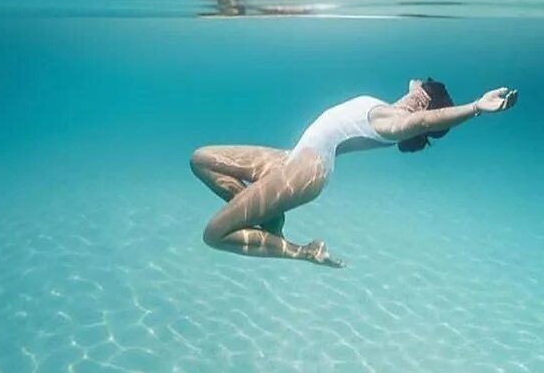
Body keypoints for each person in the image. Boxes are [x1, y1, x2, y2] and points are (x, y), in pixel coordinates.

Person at [190, 79, 518, 268]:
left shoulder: (395, 124)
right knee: (201, 159)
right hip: (288, 160)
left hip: (305, 172)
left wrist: (475, 107)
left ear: (422, 99)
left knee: (214, 234)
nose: (413, 82)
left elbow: (425, 123)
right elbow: (423, 115)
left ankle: (302, 251)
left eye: (419, 85)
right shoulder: (388, 108)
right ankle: (265, 217)